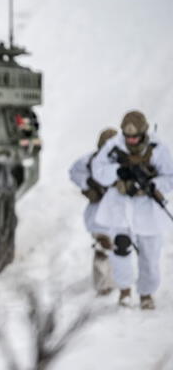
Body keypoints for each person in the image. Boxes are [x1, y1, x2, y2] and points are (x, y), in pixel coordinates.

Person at [91, 111, 173, 309]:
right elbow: (99, 170)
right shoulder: (114, 146)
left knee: (151, 255)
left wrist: (152, 186)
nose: (131, 140)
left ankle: (146, 293)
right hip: (121, 206)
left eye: (135, 137)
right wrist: (118, 172)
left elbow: (169, 177)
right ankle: (124, 290)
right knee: (121, 247)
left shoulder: (158, 149)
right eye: (128, 137)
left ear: (144, 133)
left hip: (147, 209)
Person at [68, 128, 117, 296]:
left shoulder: (124, 163)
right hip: (98, 216)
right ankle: (104, 287)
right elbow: (75, 172)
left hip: (119, 216)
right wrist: (87, 184)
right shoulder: (90, 161)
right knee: (103, 249)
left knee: (119, 250)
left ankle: (118, 284)